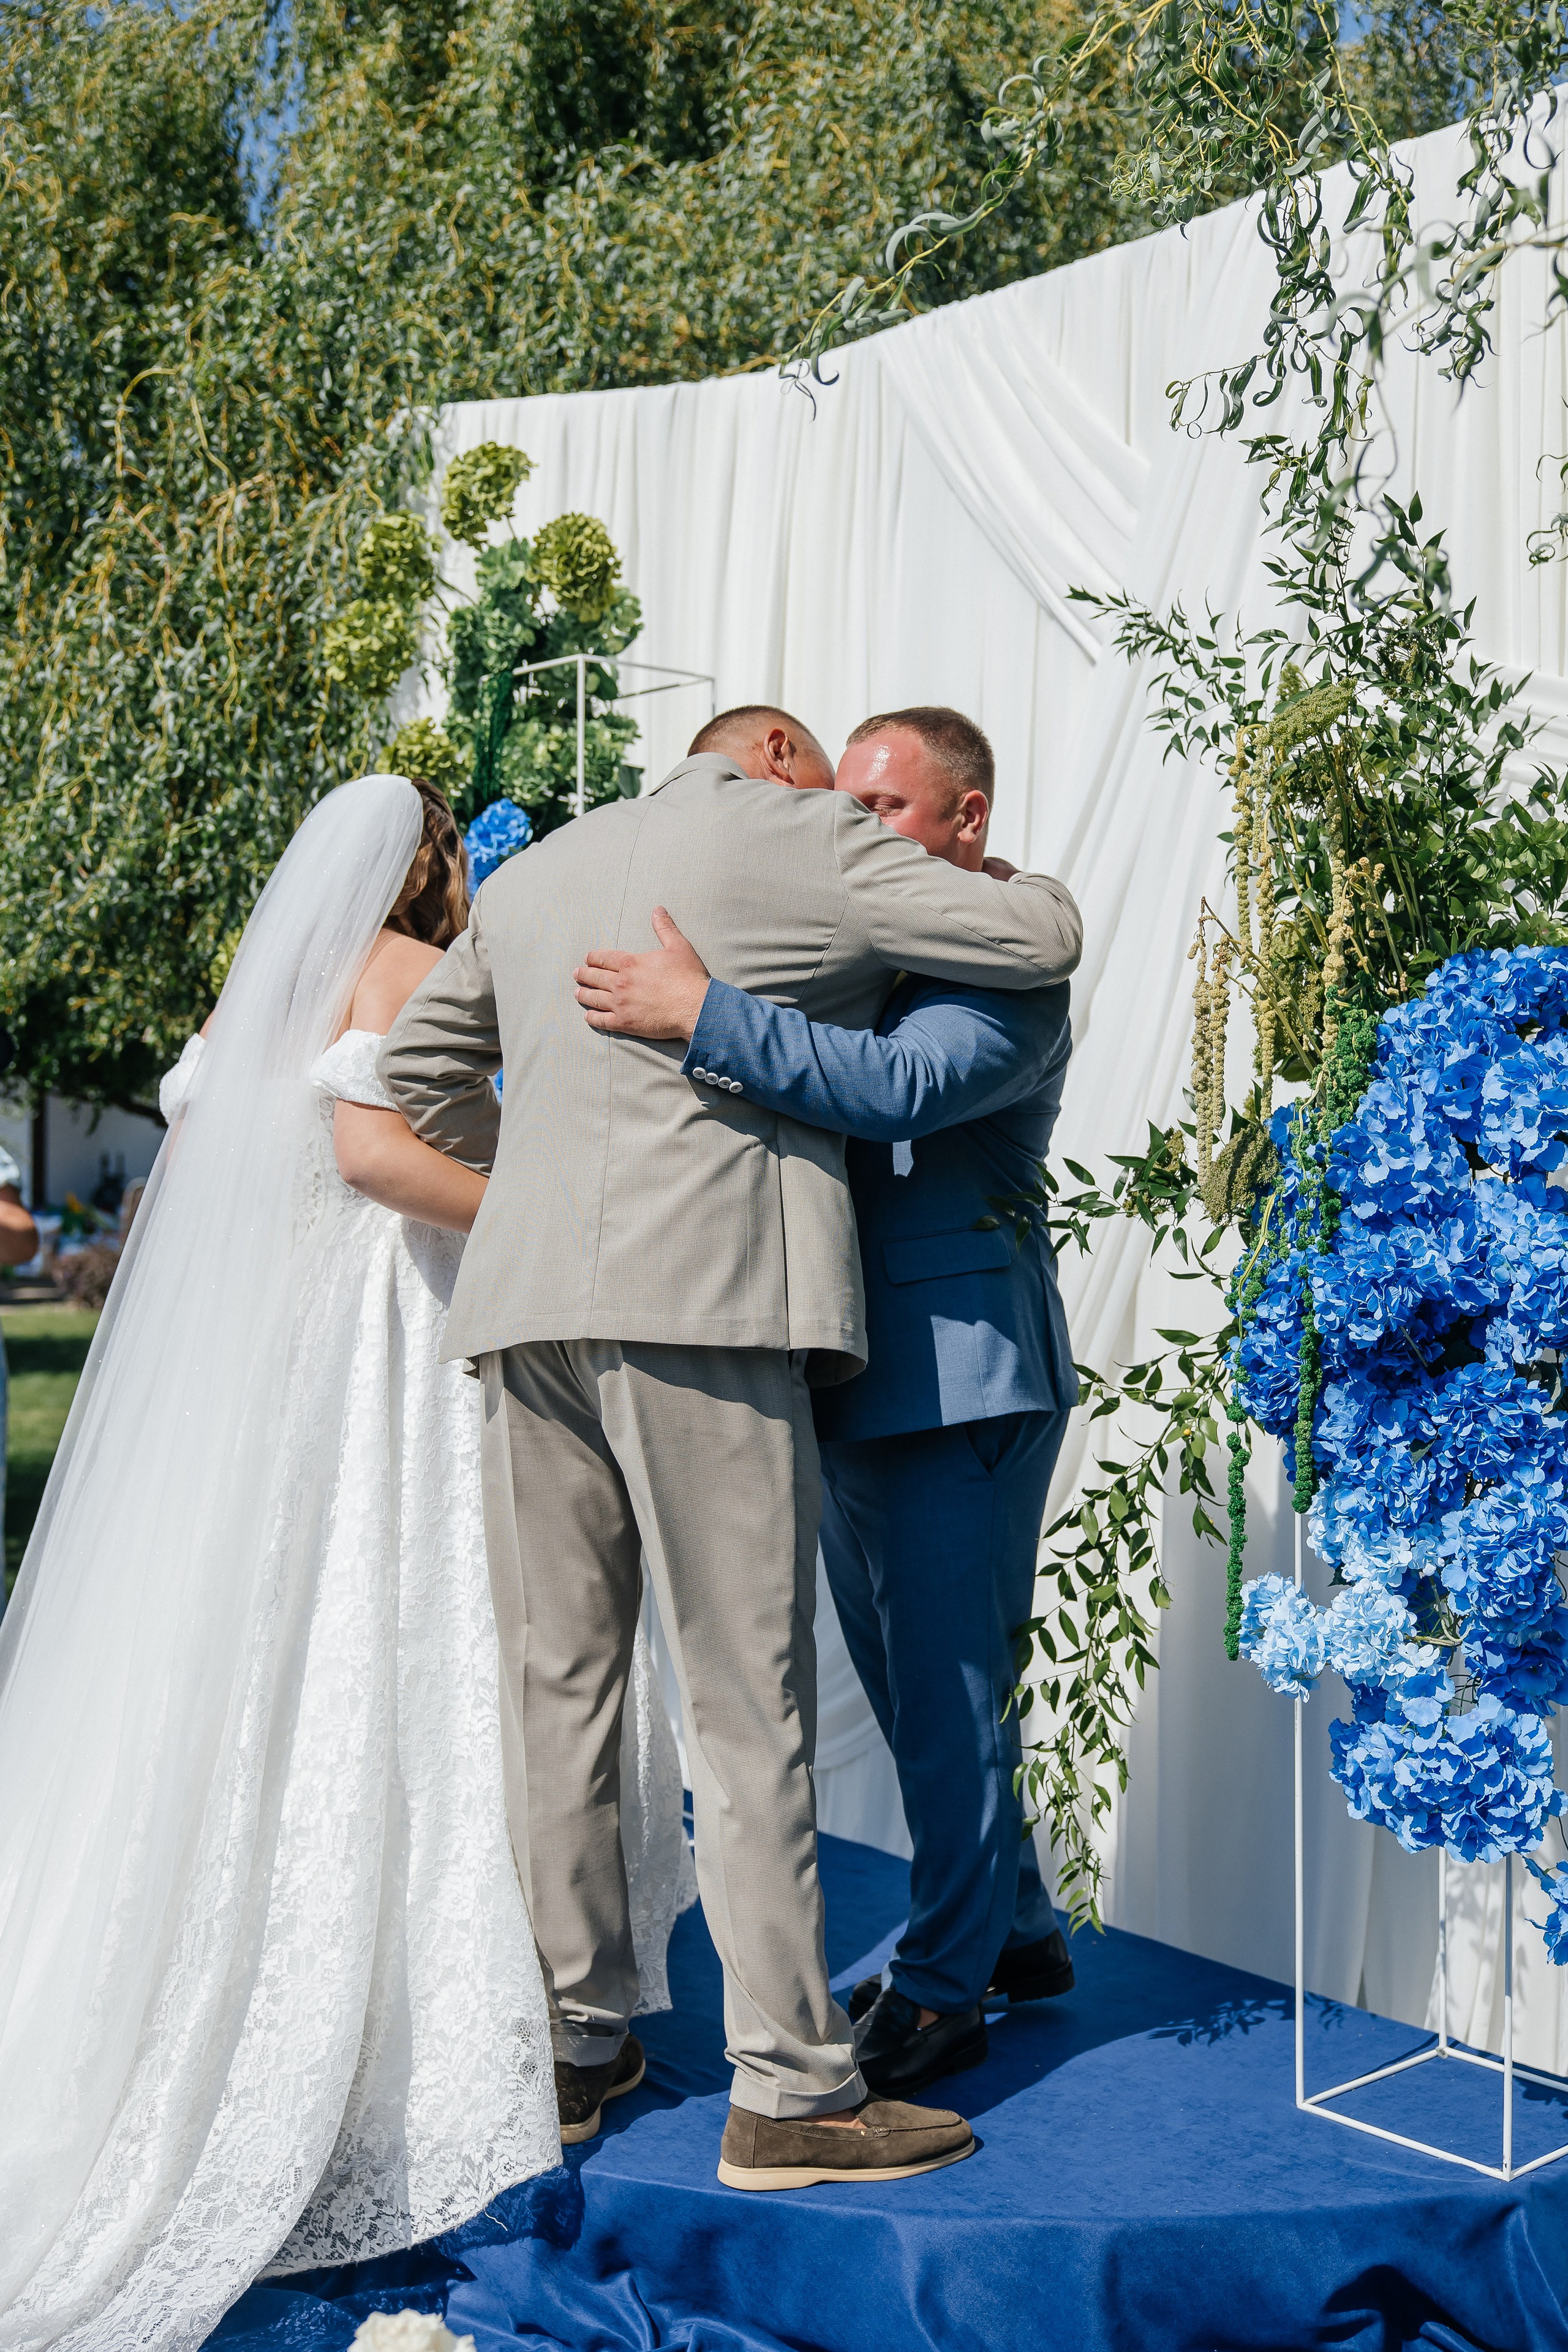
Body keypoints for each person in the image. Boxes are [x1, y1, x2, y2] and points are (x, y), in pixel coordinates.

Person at [0, 774, 688, 2352]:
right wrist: (550, 1214)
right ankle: (425, 2022)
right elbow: (379, 1159)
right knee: (416, 1645)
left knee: (272, 1653)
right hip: (389, 1340)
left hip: (270, 1368)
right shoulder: (405, 971)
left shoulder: (250, 1004)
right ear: (435, 863)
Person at [380, 704, 1081, 2191]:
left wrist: (555, 1175)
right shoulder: (786, 832)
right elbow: (1044, 935)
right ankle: (792, 2095)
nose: (852, 821)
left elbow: (420, 1077)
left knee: (556, 1682)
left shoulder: (539, 870)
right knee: (746, 1700)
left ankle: (574, 2047)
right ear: (773, 760)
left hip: (528, 1313)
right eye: (841, 787)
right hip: (701, 1299)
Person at [572, 705, 1079, 2098]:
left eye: (885, 809)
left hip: (958, 1377)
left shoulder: (1002, 967)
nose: (849, 833)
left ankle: (941, 1990)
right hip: (854, 1377)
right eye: (839, 805)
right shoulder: (864, 942)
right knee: (924, 1685)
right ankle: (1019, 1932)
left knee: (943, 1697)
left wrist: (701, 1017)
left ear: (964, 822)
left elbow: (894, 1089)